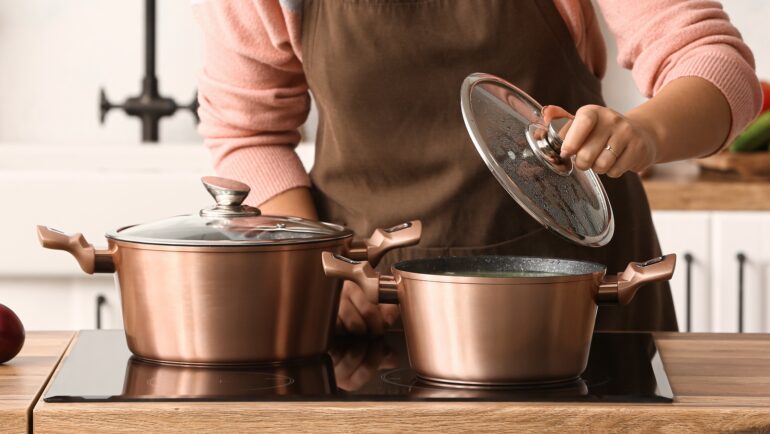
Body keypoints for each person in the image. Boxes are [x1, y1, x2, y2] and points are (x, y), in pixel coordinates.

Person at [193, 0, 761, 335]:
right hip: (371, 313)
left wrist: (646, 131)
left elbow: (713, 62)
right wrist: (318, 263)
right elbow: (249, 134)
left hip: (578, 310)